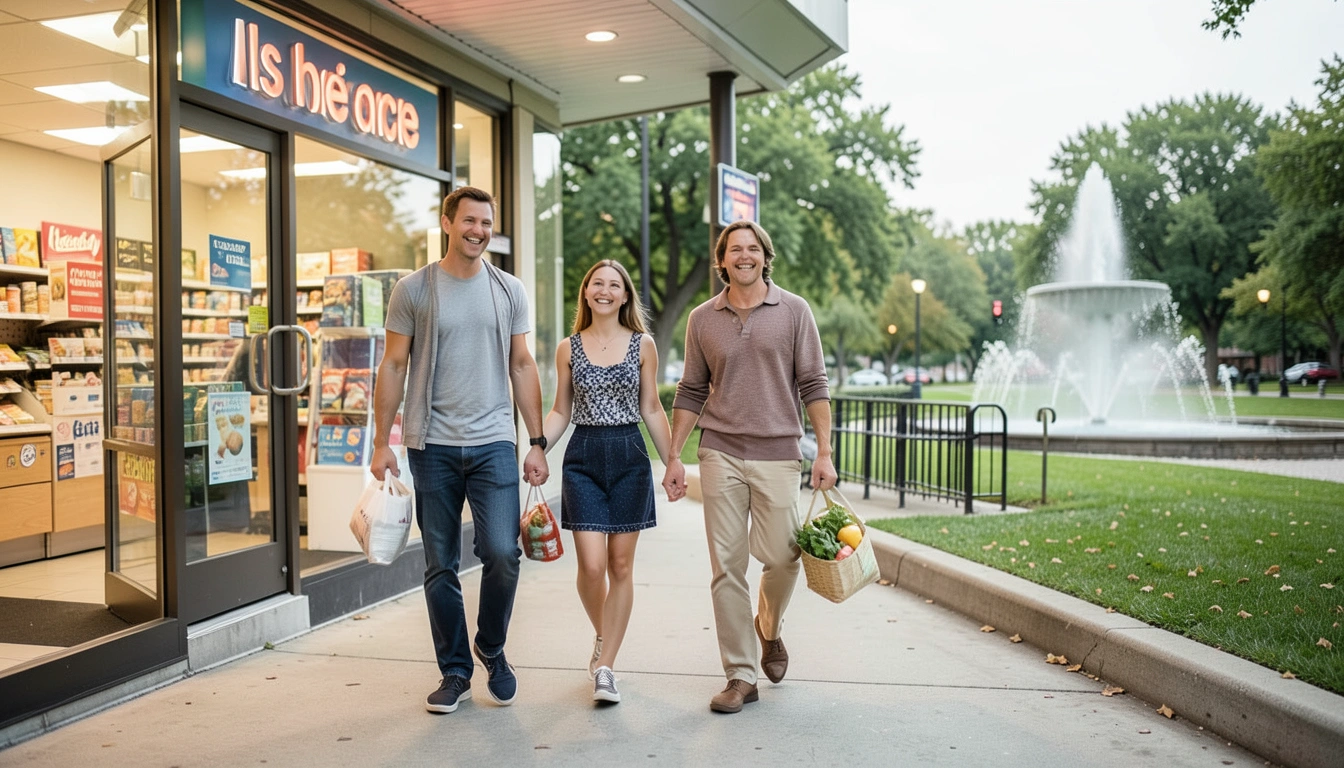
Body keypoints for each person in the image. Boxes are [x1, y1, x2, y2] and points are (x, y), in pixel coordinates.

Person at [370, 186, 549, 715]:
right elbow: (394, 365)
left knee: (502, 552)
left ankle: (490, 646)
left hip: (494, 440)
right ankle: (454, 671)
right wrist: (383, 442)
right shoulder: (415, 289)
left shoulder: (508, 288)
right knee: (439, 564)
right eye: (469, 221)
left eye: (486, 223)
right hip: (433, 445)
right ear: (447, 223)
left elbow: (522, 364)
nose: (478, 230)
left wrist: (536, 440)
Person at [661, 220, 837, 714]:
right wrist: (675, 454)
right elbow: (692, 389)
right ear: (722, 261)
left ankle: (769, 628)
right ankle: (740, 675)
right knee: (726, 566)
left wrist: (823, 451)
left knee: (783, 557)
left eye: (752, 249)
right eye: (734, 249)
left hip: (779, 451)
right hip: (719, 450)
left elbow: (814, 384)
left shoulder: (794, 311)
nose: (744, 256)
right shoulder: (702, 318)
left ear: (765, 256)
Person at [539, 259, 674, 705]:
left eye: (614, 284)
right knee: (592, 566)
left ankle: (606, 667)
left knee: (620, 566)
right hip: (583, 457)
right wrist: (538, 445)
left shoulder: (643, 345)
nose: (605, 290)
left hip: (630, 456)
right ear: (586, 292)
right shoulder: (568, 347)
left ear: (625, 295)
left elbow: (652, 407)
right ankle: (604, 634)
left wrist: (671, 459)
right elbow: (561, 409)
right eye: (597, 283)